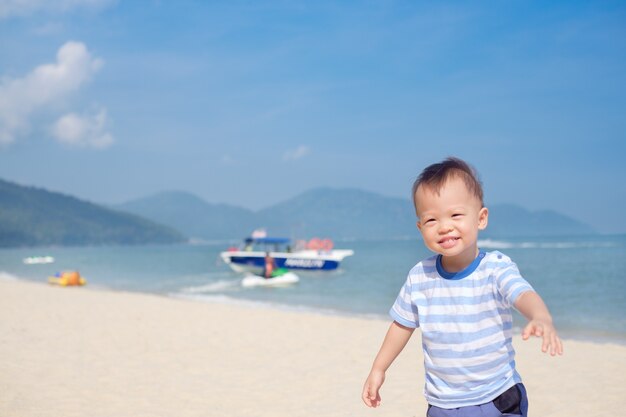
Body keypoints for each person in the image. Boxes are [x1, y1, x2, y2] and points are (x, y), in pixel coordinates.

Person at [362, 157, 563, 416]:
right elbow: (402, 325)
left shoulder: (495, 268)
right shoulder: (420, 277)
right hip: (442, 403)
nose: (445, 227)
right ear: (420, 227)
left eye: (456, 215)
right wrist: (379, 368)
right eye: (432, 220)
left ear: (481, 218)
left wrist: (540, 316)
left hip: (497, 395)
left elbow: (521, 293)